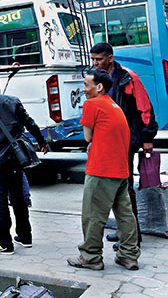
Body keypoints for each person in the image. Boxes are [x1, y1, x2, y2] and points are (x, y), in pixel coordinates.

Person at [67, 68, 140, 271]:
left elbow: (88, 137)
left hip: (101, 169)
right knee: (125, 215)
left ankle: (91, 256)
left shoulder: (92, 104)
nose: (83, 89)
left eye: (86, 85)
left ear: (99, 87)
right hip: (120, 170)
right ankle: (129, 255)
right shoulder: (114, 105)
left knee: (92, 215)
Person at [0, 70, 48, 255]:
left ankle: (4, 243)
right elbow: (30, 123)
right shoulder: (13, 101)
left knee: (0, 204)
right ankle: (25, 236)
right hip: (14, 161)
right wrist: (41, 142)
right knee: (18, 199)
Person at [90, 42, 158, 247]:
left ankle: (132, 236)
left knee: (125, 189)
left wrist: (147, 138)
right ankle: (124, 231)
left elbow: (144, 109)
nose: (95, 63)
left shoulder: (129, 77)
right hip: (106, 143)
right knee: (113, 188)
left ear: (110, 58)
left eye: (99, 59)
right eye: (93, 59)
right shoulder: (97, 79)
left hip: (125, 141)